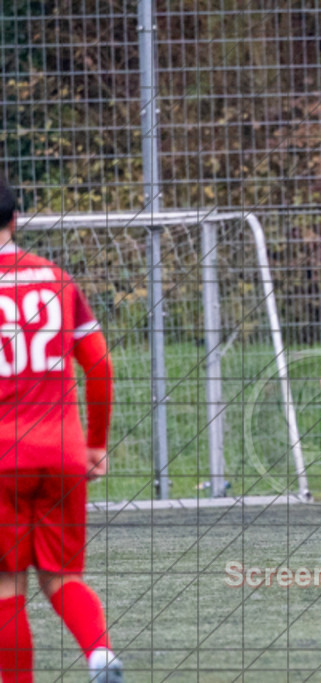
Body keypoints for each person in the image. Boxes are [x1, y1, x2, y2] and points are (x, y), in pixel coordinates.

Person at [0, 180, 121, 682]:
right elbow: (99, 368)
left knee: (6, 584)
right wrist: (94, 444)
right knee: (62, 576)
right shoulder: (57, 280)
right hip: (62, 451)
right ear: (16, 217)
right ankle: (100, 654)